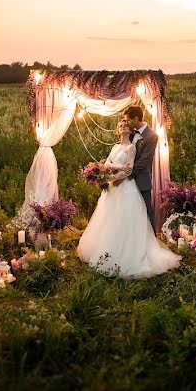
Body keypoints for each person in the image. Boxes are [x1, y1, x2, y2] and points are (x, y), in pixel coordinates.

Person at [76, 119, 181, 278]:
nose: (123, 126)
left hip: (127, 188)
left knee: (126, 220)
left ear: (130, 130)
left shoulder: (131, 147)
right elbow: (106, 165)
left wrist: (113, 174)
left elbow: (129, 170)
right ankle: (107, 250)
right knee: (109, 220)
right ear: (118, 131)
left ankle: (128, 254)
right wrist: (108, 175)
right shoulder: (115, 147)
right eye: (120, 125)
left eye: (125, 125)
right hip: (112, 188)